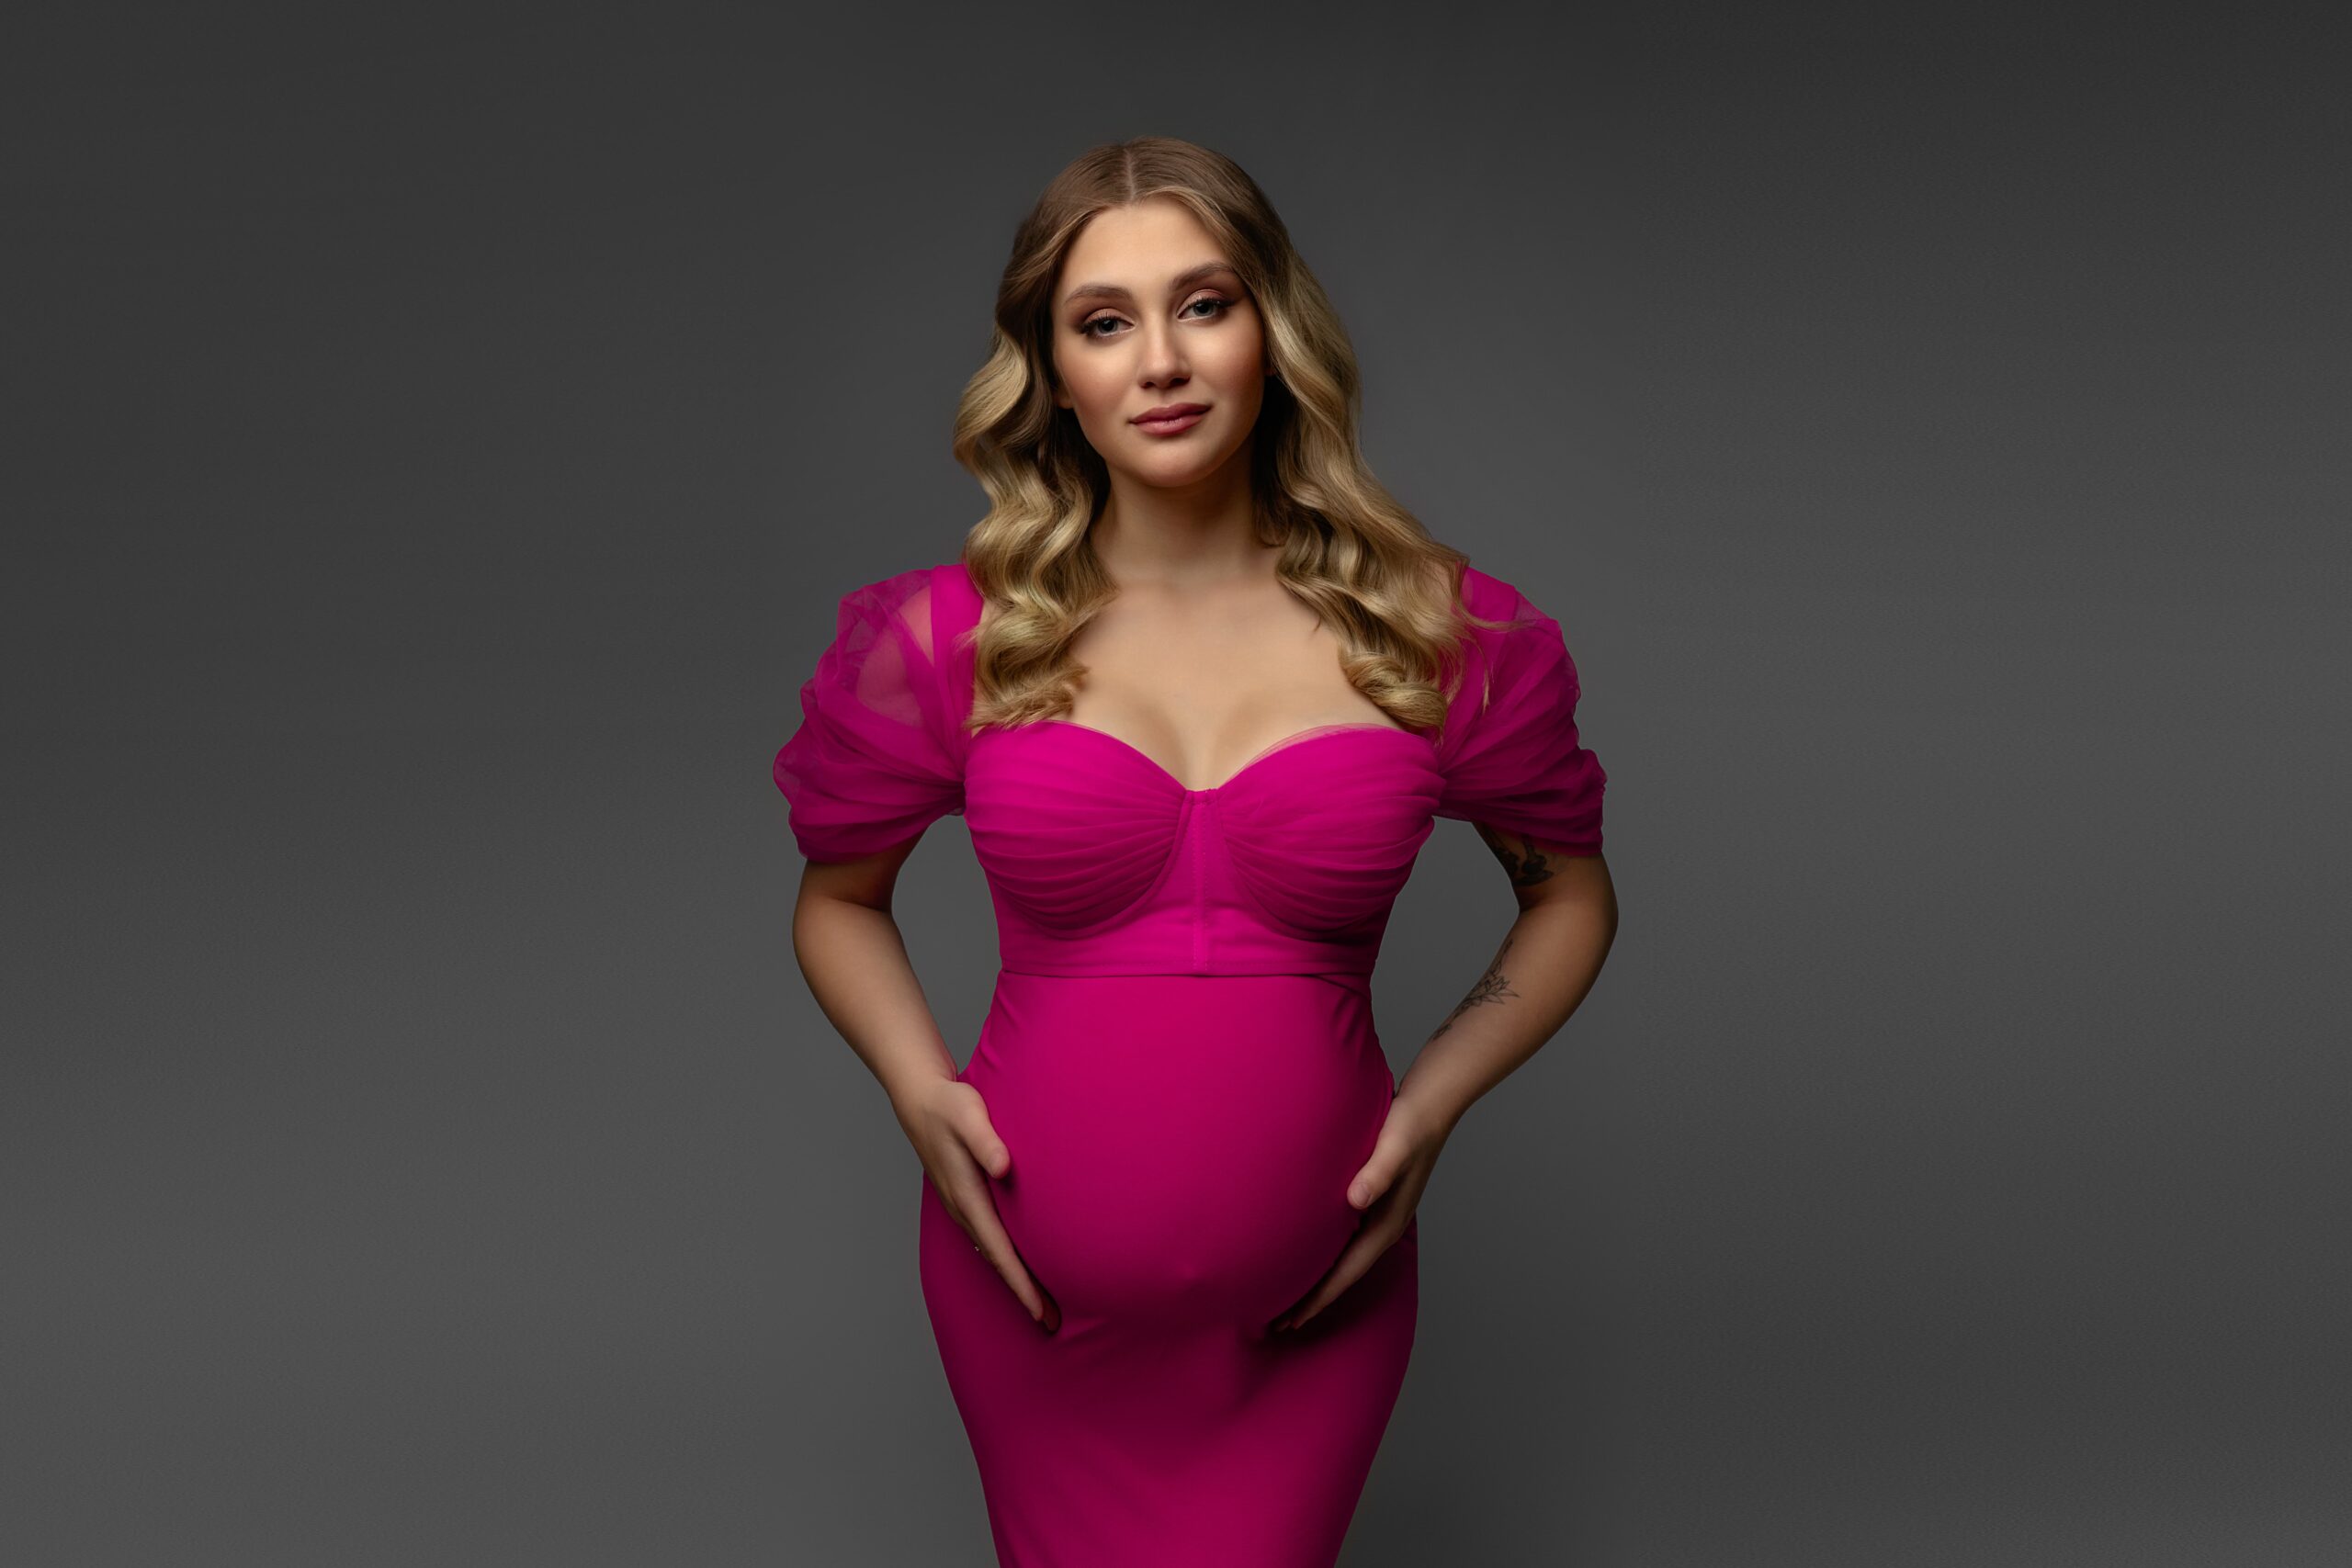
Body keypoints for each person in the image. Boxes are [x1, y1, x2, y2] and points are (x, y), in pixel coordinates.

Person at [773, 135, 1619, 1568]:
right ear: (1050, 372)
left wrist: (1436, 1103)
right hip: (1031, 1305)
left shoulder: (1439, 632)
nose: (1159, 361)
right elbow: (839, 904)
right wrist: (920, 1091)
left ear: (1273, 332)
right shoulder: (946, 639)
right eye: (1104, 323)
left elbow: (1569, 898)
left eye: (1203, 304)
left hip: (1313, 1312)